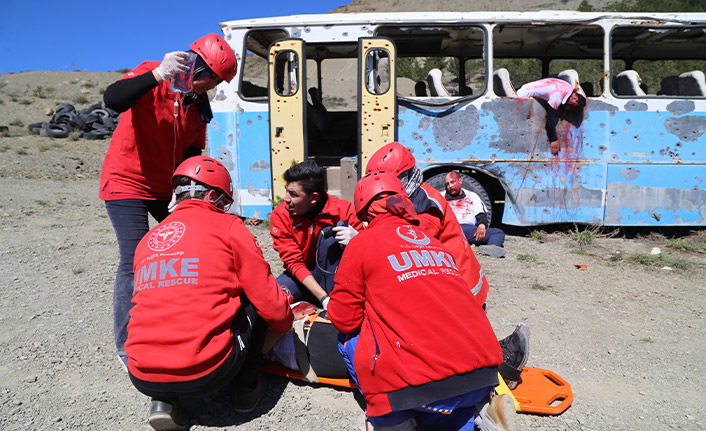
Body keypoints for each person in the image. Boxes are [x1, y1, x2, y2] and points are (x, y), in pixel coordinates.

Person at [327, 171, 515, 431]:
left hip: (418, 389)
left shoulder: (362, 243)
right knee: (452, 411)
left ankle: (392, 420)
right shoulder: (433, 243)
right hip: (484, 376)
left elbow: (344, 318)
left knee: (347, 338)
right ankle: (480, 410)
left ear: (364, 212)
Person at [125, 156, 294, 431]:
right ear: (213, 194)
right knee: (255, 298)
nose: (224, 208)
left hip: (141, 373)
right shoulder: (229, 227)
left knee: (165, 298)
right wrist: (284, 324)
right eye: (224, 202)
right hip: (206, 373)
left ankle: (163, 402)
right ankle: (246, 389)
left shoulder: (149, 239)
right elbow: (269, 302)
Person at [100, 33, 237, 369]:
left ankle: (187, 314)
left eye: (217, 82)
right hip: (127, 183)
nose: (210, 86)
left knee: (195, 243)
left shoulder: (198, 106)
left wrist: (186, 195)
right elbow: (113, 99)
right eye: (209, 78)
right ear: (195, 65)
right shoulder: (154, 75)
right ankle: (126, 344)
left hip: (167, 188)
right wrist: (158, 74)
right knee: (134, 259)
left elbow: (191, 151)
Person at [367, 143, 529, 390]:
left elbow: (409, 241)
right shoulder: (416, 197)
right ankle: (497, 358)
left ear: (404, 179)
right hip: (457, 284)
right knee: (460, 342)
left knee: (454, 351)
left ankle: (502, 366)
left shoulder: (426, 205)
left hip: (459, 288)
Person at [365, 142, 490, 306]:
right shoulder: (411, 197)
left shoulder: (427, 205)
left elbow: (408, 246)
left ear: (405, 177)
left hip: (463, 291)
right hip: (452, 284)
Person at [270, 160, 363, 308]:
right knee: (274, 301)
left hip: (335, 273)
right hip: (300, 277)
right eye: (286, 190)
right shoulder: (280, 215)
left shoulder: (343, 210)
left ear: (314, 198)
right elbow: (294, 262)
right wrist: (324, 298)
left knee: (333, 235)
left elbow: (370, 255)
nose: (286, 199)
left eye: (293, 194)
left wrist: (359, 239)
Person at [516, 77, 586, 156]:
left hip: (524, 88)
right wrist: (553, 140)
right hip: (521, 97)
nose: (568, 108)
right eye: (572, 106)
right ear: (575, 98)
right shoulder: (558, 95)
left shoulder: (567, 88)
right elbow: (550, 120)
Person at [444, 171, 506, 258]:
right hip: (450, 229)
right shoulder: (441, 196)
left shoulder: (472, 196)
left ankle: (490, 248)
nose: (450, 186)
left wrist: (481, 226)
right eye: (447, 184)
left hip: (469, 231)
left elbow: (481, 213)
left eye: (452, 182)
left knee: (497, 232)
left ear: (460, 181)